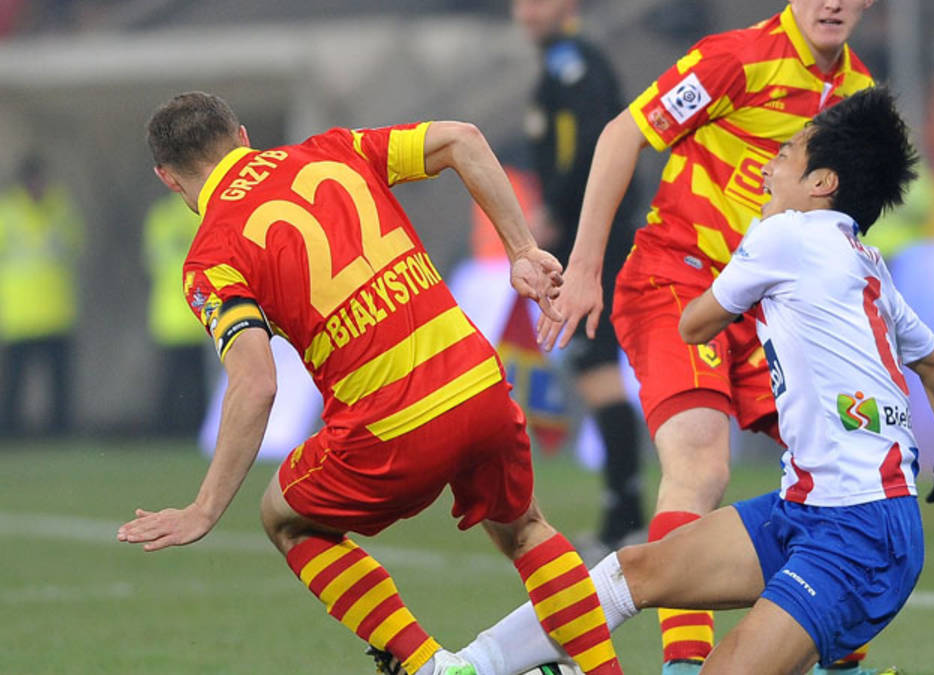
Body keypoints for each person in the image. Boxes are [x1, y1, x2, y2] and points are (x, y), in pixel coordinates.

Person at [456, 86, 934, 675]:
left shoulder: (784, 236)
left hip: (855, 533)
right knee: (634, 570)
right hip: (812, 509)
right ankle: (469, 665)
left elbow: (693, 325)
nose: (767, 169)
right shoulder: (868, 264)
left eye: (786, 155)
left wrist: (729, 269)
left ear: (822, 183)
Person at [116, 92, 623, 675]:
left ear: (167, 177)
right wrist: (523, 249)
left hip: (390, 425)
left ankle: (431, 666)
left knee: (286, 517)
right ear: (243, 136)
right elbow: (462, 139)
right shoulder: (333, 150)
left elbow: (255, 383)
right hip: (476, 381)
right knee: (526, 528)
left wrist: (205, 508)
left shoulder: (211, 257)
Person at [535, 1, 882, 672]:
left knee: (847, 469)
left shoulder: (860, 95)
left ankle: (841, 659)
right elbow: (622, 134)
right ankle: (684, 665)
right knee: (700, 463)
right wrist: (584, 268)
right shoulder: (736, 59)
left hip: (768, 306)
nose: (834, 2)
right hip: (677, 279)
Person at [513, 0, 646, 554]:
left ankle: (627, 517)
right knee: (593, 365)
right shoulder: (560, 63)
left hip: (594, 238)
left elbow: (597, 141)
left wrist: (557, 209)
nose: (527, 12)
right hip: (586, 234)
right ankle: (624, 512)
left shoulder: (575, 63)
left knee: (596, 364)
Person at [0, 155, 84, 439]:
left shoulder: (61, 210)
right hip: (19, 314)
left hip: (57, 310)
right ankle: (10, 433)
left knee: (59, 382)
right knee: (15, 382)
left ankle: (60, 432)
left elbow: (76, 245)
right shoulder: (8, 214)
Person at [142, 192, 209, 436]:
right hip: (195, 309)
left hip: (170, 311)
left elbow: (151, 261)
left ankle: (166, 427)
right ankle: (195, 426)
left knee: (171, 378)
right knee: (195, 378)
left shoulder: (160, 218)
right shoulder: (200, 214)